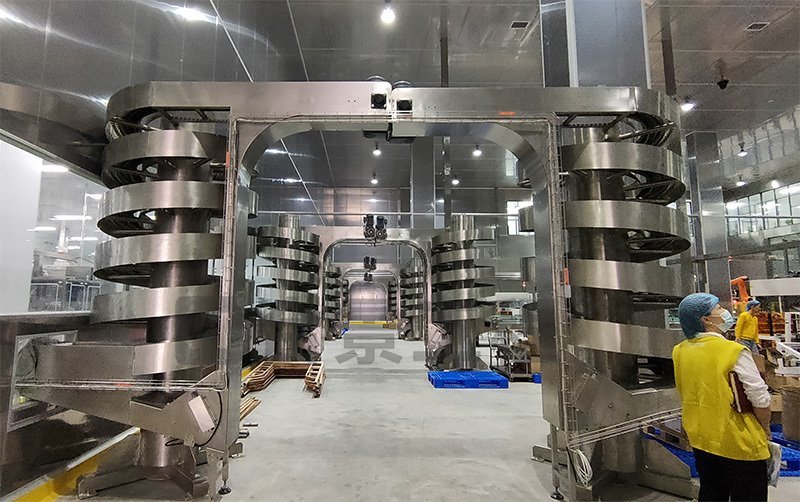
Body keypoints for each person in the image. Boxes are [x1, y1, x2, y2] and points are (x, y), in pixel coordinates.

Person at [674, 293, 771, 502]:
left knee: (712, 492)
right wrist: (765, 427)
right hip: (738, 440)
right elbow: (759, 397)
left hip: (702, 438)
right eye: (718, 308)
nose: (724, 311)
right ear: (706, 320)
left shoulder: (680, 351)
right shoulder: (732, 351)